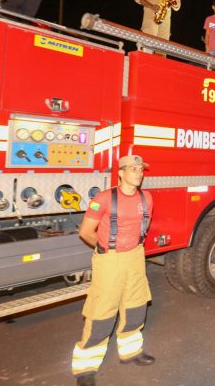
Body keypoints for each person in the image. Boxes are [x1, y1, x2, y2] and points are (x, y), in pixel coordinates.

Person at [71, 155, 155, 386]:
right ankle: (85, 368)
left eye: (141, 169)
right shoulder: (104, 198)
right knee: (102, 312)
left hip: (135, 256)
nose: (139, 173)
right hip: (109, 259)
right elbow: (85, 232)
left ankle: (131, 351)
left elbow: (143, 227)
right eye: (133, 169)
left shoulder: (146, 198)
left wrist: (132, 247)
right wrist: (105, 250)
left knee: (136, 305)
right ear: (121, 173)